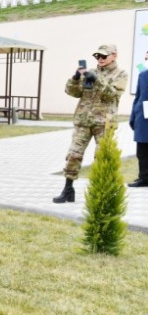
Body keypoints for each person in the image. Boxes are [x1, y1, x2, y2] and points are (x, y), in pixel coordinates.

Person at [53, 44, 128, 203]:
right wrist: (75, 78)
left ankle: (99, 194)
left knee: (101, 158)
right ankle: (68, 190)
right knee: (74, 154)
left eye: (103, 56)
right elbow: (73, 92)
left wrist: (97, 80)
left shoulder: (121, 74)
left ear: (114, 56)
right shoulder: (90, 72)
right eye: (97, 56)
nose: (100, 59)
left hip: (104, 123)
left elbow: (112, 94)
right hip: (84, 121)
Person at [128, 53, 148, 188]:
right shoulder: (143, 75)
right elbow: (138, 97)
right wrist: (133, 116)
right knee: (142, 151)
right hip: (143, 118)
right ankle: (144, 178)